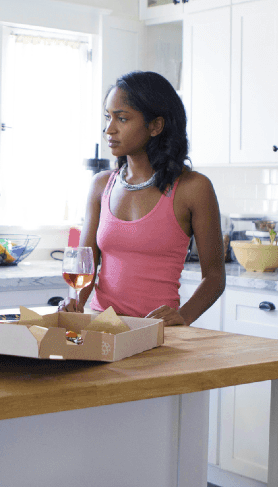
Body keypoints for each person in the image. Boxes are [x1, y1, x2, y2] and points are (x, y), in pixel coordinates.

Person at [59, 71, 225, 326]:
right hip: (100, 329)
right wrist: (75, 303)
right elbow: (86, 268)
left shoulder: (193, 188)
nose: (109, 129)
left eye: (122, 118)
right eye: (108, 117)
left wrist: (183, 316)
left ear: (156, 125)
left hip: (159, 335)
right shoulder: (101, 186)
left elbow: (214, 277)